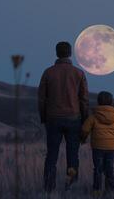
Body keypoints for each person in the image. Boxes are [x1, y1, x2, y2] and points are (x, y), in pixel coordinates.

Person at [38, 41, 89, 194]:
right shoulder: (79, 73)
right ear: (70, 53)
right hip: (74, 118)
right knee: (73, 155)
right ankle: (71, 188)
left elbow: (41, 98)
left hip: (53, 118)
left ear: (56, 53)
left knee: (51, 155)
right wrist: (85, 119)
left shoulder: (48, 72)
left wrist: (44, 118)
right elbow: (84, 99)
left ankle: (48, 189)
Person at [81, 91, 114, 197]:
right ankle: (110, 191)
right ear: (111, 102)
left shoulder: (93, 117)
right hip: (110, 149)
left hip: (97, 148)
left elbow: (85, 129)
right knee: (109, 169)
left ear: (98, 102)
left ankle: (96, 191)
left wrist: (83, 139)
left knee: (98, 169)